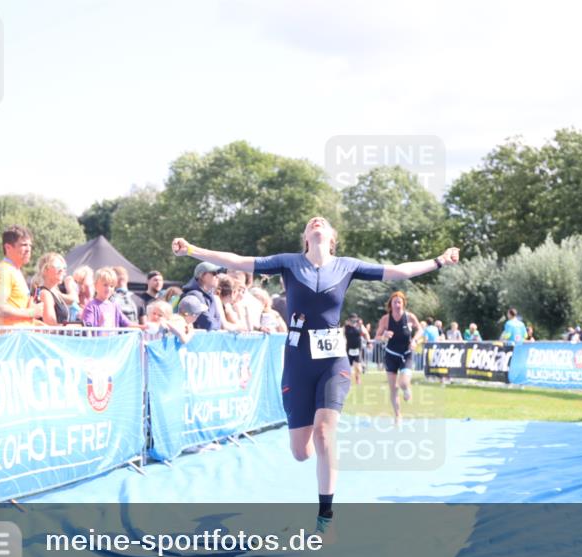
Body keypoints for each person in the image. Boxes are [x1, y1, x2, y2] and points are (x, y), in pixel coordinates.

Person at [172, 217, 459, 534]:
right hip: (297, 361)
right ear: (306, 237)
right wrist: (193, 250)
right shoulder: (288, 263)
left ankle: (325, 517)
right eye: (311, 223)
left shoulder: (347, 266)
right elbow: (237, 260)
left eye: (322, 223)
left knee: (324, 434)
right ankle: (317, 456)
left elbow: (398, 270)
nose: (317, 222)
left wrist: (439, 261)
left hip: (333, 361)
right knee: (301, 451)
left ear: (332, 237)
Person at [374, 291, 424, 425]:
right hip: (391, 355)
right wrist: (384, 336)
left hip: (406, 354)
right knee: (393, 388)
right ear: (391, 304)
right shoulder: (386, 319)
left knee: (402, 383)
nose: (397, 304)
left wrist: (415, 340)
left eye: (399, 302)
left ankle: (407, 389)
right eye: (394, 302)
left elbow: (420, 330)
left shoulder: (409, 317)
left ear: (403, 303)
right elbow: (377, 337)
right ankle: (398, 415)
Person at [0, 225, 39, 328]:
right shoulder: (3, 271)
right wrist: (32, 313)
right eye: (24, 245)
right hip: (10, 340)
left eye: (30, 245)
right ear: (8, 247)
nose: (28, 249)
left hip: (20, 338)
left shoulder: (15, 270)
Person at [31, 253, 72, 326]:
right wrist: (72, 327)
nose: (62, 271)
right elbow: (51, 326)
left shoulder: (55, 293)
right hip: (50, 337)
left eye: (64, 268)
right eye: (58, 267)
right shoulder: (45, 294)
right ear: (45, 270)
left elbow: (73, 299)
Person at [181, 261, 224, 331]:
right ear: (202, 276)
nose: (217, 276)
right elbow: (208, 324)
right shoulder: (193, 295)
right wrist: (217, 325)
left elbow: (218, 320)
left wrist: (217, 325)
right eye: (214, 273)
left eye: (218, 273)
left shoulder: (210, 295)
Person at [343, 314, 367, 385]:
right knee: (348, 367)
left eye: (355, 319)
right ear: (349, 320)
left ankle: (357, 377)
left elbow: (366, 333)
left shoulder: (360, 326)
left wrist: (369, 343)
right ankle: (347, 382)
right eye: (352, 319)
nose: (353, 321)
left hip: (357, 349)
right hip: (349, 349)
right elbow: (341, 334)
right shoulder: (346, 327)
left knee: (358, 368)